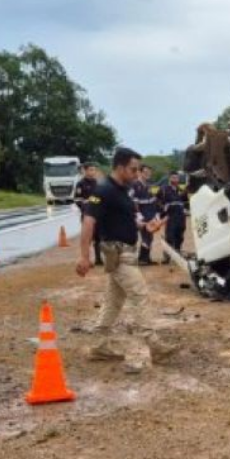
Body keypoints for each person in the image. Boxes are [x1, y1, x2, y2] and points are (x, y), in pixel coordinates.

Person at [76, 147, 178, 372]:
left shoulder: (124, 190)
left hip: (127, 252)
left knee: (113, 302)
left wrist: (146, 226)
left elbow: (127, 219)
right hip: (117, 254)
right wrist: (84, 256)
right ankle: (154, 345)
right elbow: (88, 222)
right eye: (133, 169)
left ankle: (99, 346)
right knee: (139, 294)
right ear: (120, 167)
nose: (136, 173)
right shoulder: (103, 190)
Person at [72, 163, 103, 266]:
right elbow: (77, 199)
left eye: (94, 170)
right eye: (90, 170)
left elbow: (100, 198)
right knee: (87, 238)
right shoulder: (80, 184)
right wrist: (86, 207)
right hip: (87, 214)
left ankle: (98, 259)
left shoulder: (96, 183)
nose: (92, 172)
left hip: (97, 214)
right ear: (85, 171)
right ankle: (86, 259)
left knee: (98, 238)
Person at [157, 171, 189, 262]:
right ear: (169, 178)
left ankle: (177, 255)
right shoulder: (163, 189)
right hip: (170, 217)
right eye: (173, 177)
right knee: (170, 236)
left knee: (180, 236)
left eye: (176, 177)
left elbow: (185, 202)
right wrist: (163, 213)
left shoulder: (180, 190)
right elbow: (157, 201)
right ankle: (167, 257)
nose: (175, 179)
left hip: (181, 217)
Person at [132, 165, 159, 266]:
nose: (148, 174)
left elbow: (152, 201)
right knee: (145, 236)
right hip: (141, 215)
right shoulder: (135, 185)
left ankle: (146, 258)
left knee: (149, 237)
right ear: (139, 172)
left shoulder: (149, 185)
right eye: (145, 172)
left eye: (149, 172)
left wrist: (155, 214)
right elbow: (134, 202)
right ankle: (142, 259)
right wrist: (138, 215)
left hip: (150, 214)